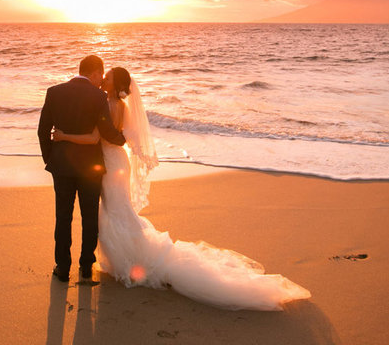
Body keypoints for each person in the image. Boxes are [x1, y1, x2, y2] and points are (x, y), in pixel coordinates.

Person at [52, 67, 311, 311]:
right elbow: (118, 137)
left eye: (108, 77)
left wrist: (65, 136)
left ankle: (129, 261)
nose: (104, 80)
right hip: (118, 160)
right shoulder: (118, 105)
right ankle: (122, 258)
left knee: (115, 210)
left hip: (110, 162)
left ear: (115, 84)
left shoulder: (108, 104)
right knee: (118, 209)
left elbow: (100, 137)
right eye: (104, 76)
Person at [37, 55, 126, 283]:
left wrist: (52, 159)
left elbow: (42, 130)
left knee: (63, 217)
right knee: (89, 217)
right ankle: (86, 267)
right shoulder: (99, 96)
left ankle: (63, 268)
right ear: (95, 72)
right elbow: (106, 130)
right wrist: (122, 139)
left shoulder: (54, 92)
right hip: (90, 167)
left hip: (62, 167)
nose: (101, 80)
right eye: (100, 75)